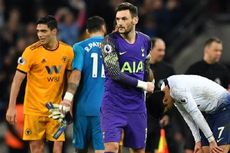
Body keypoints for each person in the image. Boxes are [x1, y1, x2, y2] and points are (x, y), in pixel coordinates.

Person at [5, 15, 74, 153]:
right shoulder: (30, 52)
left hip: (55, 108)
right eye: (38, 31)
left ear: (54, 31)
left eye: (44, 31)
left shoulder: (67, 51)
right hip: (34, 109)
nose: (39, 35)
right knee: (37, 148)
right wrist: (11, 107)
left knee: (58, 145)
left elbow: (70, 80)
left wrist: (69, 105)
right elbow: (17, 80)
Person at [100, 2, 154, 153]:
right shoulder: (109, 42)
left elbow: (146, 66)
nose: (120, 23)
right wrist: (144, 85)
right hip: (113, 105)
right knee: (111, 148)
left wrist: (150, 82)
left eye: (124, 19)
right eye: (118, 19)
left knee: (138, 150)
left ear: (135, 20)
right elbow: (114, 73)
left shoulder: (145, 40)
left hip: (137, 106)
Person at [59, 16, 107, 153]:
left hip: (82, 108)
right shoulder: (114, 47)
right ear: (104, 28)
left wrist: (67, 99)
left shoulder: (79, 47)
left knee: (80, 150)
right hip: (104, 109)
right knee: (101, 149)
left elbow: (76, 74)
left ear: (87, 31)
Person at [161, 74, 230, 153]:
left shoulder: (177, 90)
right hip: (212, 112)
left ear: (164, 99)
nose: (168, 107)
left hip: (225, 106)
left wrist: (211, 141)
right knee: (204, 150)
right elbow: (188, 117)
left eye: (166, 106)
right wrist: (197, 141)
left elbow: (196, 114)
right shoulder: (171, 93)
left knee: (219, 150)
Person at [185, 37, 230, 153]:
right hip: (197, 120)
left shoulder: (223, 71)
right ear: (207, 50)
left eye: (220, 50)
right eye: (216, 50)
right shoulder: (194, 70)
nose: (219, 53)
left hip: (216, 120)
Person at [145, 37, 176, 153]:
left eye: (164, 50)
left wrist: (168, 115)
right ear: (151, 49)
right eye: (159, 50)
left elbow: (174, 96)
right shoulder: (141, 68)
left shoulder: (168, 70)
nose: (163, 53)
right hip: (145, 121)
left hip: (163, 122)